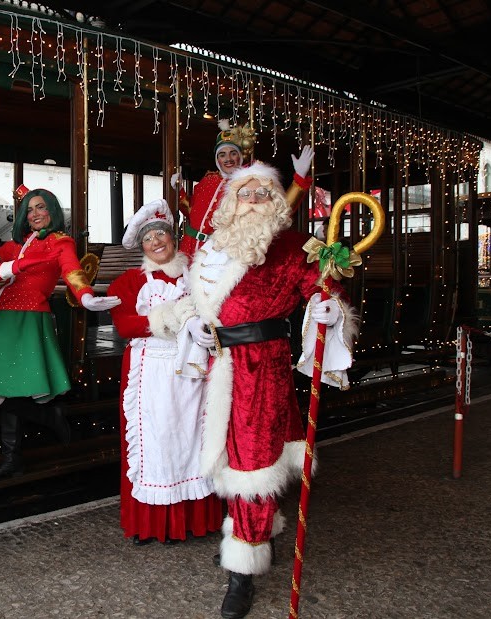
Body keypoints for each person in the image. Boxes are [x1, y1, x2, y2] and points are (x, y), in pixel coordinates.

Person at [159, 163, 357, 619]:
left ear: (276, 202)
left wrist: (329, 309)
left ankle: (242, 570)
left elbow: (324, 290)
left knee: (253, 467)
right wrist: (191, 323)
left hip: (261, 370)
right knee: (226, 460)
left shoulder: (293, 247)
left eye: (262, 194)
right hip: (214, 368)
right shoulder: (213, 245)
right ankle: (250, 533)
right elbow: (192, 300)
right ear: (231, 201)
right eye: (244, 193)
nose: (252, 201)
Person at [0, 187, 121, 481]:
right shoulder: (16, 245)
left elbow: (72, 270)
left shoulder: (60, 242)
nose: (34, 214)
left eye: (40, 207)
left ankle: (12, 459)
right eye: (29, 209)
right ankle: (47, 420)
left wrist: (85, 295)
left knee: (8, 391)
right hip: (0, 318)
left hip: (29, 319)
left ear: (52, 210)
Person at [106, 199, 222, 545]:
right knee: (157, 444)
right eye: (147, 238)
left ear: (173, 237)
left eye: (161, 234)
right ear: (141, 247)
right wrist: (170, 318)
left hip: (194, 372)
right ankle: (153, 524)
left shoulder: (198, 275)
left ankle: (194, 521)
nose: (156, 242)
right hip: (151, 374)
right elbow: (125, 324)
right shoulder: (130, 282)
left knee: (194, 442)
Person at [173, 120, 315, 260]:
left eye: (233, 153)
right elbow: (192, 212)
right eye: (222, 155)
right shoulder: (207, 181)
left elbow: (280, 209)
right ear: (217, 159)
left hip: (220, 250)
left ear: (240, 155)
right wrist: (179, 192)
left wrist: (300, 178)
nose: (228, 159)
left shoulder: (250, 182)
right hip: (189, 246)